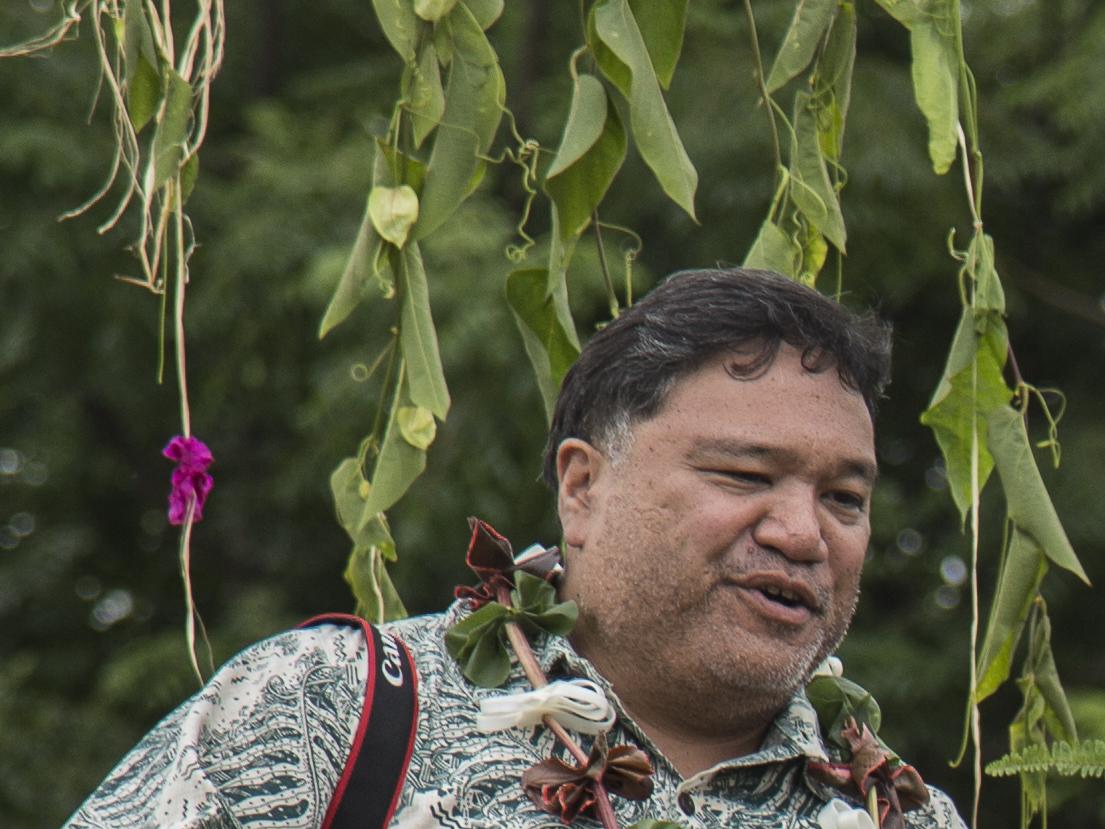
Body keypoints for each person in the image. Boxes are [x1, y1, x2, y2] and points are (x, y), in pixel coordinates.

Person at [63, 268, 966, 828]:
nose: (803, 532)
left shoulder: (899, 816)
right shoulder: (329, 714)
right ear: (584, 486)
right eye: (742, 476)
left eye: (843, 497)